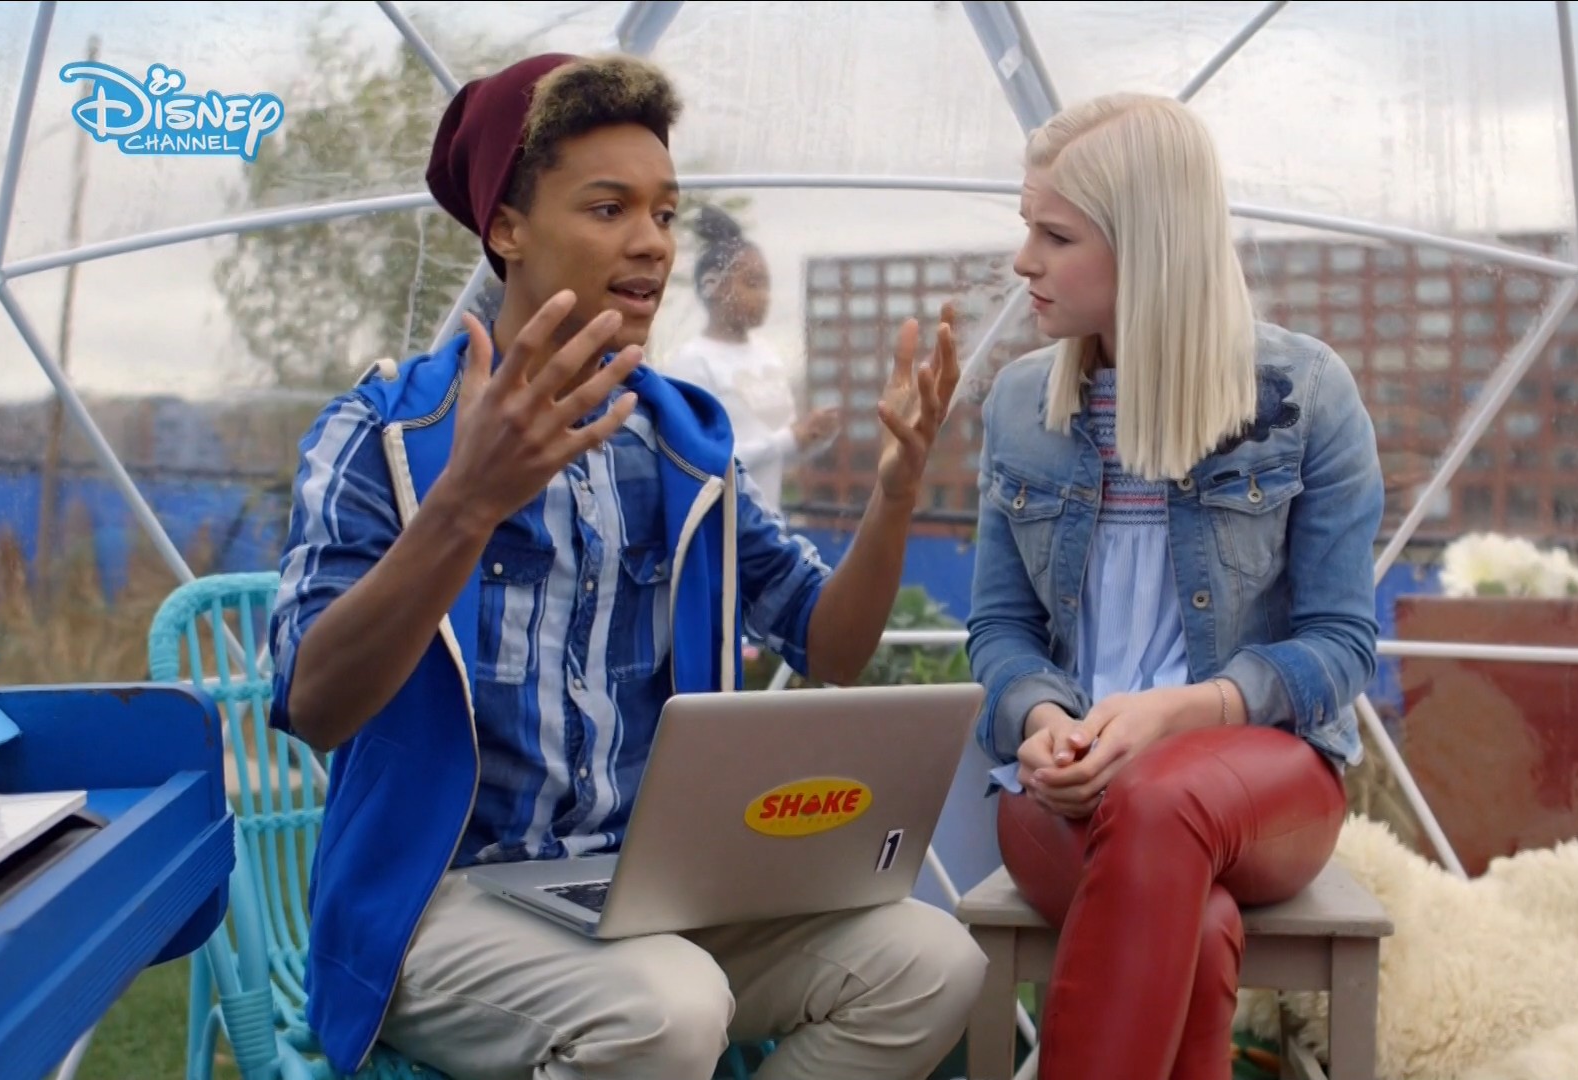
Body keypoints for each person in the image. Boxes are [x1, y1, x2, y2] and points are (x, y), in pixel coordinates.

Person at [268, 52, 985, 1080]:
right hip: (437, 906)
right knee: (669, 1010)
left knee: (933, 963)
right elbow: (314, 703)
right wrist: (466, 504)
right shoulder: (387, 433)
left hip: (649, 894)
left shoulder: (684, 444)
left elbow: (831, 644)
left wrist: (896, 493)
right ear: (506, 229)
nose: (651, 241)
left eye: (665, 213)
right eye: (609, 208)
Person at [965, 92, 1384, 1080]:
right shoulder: (1021, 405)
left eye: (1055, 235)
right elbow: (999, 629)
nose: (1023, 261)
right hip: (1062, 792)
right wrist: (1040, 721)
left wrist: (1186, 712)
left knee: (1158, 797)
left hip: (1263, 784)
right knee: (1194, 926)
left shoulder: (1306, 394)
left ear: (1148, 245)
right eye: (1027, 227)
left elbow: (1341, 645)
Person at [661, 205, 840, 513]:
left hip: (767, 526)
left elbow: (779, 455)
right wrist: (790, 438)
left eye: (767, 284)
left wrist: (813, 437)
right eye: (753, 283)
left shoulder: (766, 356)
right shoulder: (692, 363)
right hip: (720, 529)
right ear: (714, 286)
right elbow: (695, 462)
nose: (764, 296)